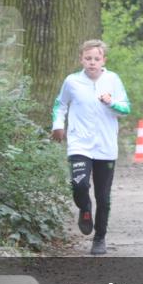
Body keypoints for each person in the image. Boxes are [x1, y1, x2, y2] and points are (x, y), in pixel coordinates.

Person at [52, 40, 130, 256]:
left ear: (104, 60)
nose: (92, 62)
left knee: (103, 197)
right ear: (81, 60)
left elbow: (126, 109)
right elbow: (60, 104)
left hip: (106, 145)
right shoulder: (72, 81)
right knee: (79, 184)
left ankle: (99, 238)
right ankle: (85, 208)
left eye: (96, 58)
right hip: (80, 143)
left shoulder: (113, 80)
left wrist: (111, 102)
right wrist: (58, 125)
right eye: (88, 58)